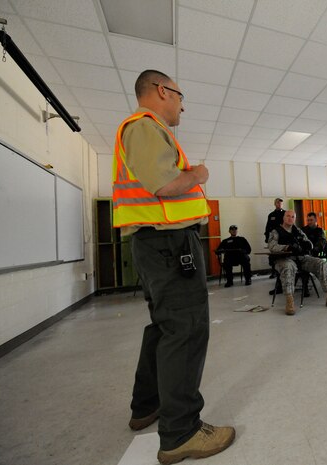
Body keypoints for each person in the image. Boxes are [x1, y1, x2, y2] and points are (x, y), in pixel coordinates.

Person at [112, 69, 234, 464]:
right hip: (168, 241)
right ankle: (181, 433)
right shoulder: (145, 126)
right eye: (180, 96)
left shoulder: (139, 129)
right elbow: (164, 185)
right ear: (162, 91)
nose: (183, 105)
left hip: (155, 243)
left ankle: (145, 406)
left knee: (164, 327)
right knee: (186, 329)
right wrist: (198, 174)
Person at [268, 210, 327, 315]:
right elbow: (272, 247)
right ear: (283, 218)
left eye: (293, 217)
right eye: (288, 216)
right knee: (288, 266)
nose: (290, 218)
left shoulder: (298, 231)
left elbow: (308, 242)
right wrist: (287, 247)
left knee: (321, 263)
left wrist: (307, 245)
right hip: (284, 259)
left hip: (300, 258)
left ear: (295, 219)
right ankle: (289, 301)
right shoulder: (276, 231)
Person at [264, 198, 285, 279]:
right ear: (275, 204)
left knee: (283, 255)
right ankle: (274, 272)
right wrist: (266, 237)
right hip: (273, 238)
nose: (279, 205)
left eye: (281, 204)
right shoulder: (271, 215)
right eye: (278, 203)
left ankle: (283, 271)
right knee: (273, 256)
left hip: (283, 237)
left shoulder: (285, 213)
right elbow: (268, 227)